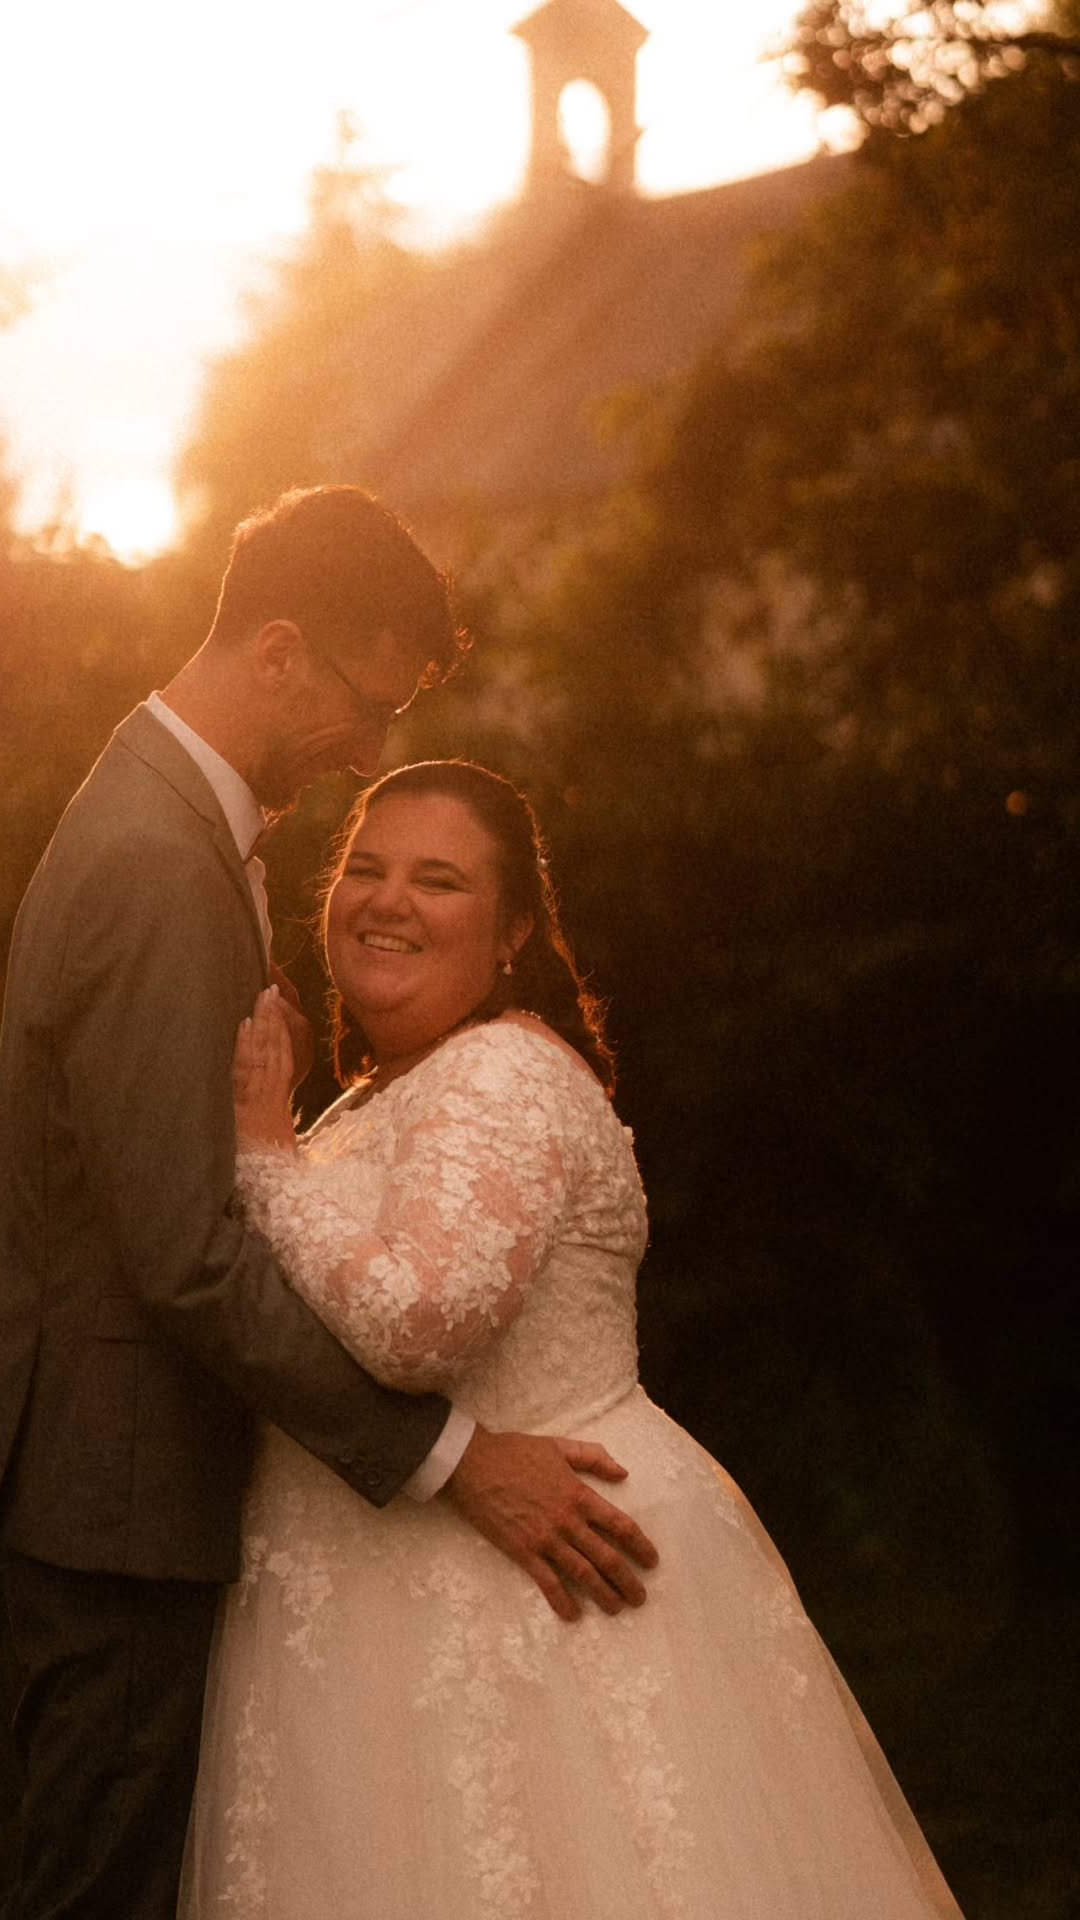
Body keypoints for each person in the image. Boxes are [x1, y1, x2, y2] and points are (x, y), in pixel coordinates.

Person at [0, 488, 658, 1919]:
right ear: (279, 653)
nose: (371, 752)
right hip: (121, 1491)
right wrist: (453, 1458)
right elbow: (190, 1255)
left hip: (125, 1481)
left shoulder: (167, 824)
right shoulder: (156, 860)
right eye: (367, 703)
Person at [183, 757, 966, 1920]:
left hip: (532, 1608)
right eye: (366, 866)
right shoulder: (377, 1095)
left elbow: (417, 1326)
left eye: (439, 880)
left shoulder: (504, 1074)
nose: (388, 899)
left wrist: (261, 1163)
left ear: (510, 936)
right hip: (375, 1611)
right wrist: (291, 1138)